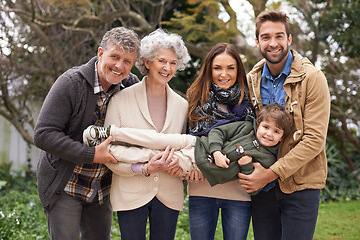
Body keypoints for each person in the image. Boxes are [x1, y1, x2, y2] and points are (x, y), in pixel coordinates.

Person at [33, 27, 140, 240]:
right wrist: (91, 155)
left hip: (101, 188)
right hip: (65, 184)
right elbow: (43, 134)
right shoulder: (71, 83)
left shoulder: (131, 87)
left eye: (127, 61)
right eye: (114, 57)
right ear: (100, 53)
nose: (120, 66)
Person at [238, 10, 331, 240]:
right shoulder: (251, 80)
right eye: (266, 37)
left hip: (301, 184)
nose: (273, 43)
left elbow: (314, 140)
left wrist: (270, 174)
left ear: (289, 39)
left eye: (279, 36)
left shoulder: (313, 78)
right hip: (263, 188)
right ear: (257, 41)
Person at [83, 103, 291, 196]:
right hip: (195, 143)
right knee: (155, 139)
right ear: (258, 124)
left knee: (151, 156)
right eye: (266, 127)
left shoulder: (268, 160)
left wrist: (245, 167)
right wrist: (217, 151)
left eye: (276, 132)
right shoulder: (246, 127)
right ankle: (110, 133)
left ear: (282, 137)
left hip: (197, 165)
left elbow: (253, 187)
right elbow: (217, 133)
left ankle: (105, 150)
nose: (269, 134)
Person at [103, 29, 191, 240]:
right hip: (130, 192)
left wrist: (181, 166)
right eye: (162, 61)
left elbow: (189, 148)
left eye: (173, 63)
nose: (167, 68)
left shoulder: (182, 105)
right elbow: (109, 151)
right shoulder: (120, 100)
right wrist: (143, 168)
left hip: (169, 193)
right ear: (148, 62)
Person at [187, 42, 254, 240]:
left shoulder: (249, 101)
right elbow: (188, 140)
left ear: (238, 70)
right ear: (209, 69)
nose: (224, 74)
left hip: (239, 192)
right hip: (201, 187)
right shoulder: (195, 98)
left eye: (230, 68)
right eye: (217, 68)